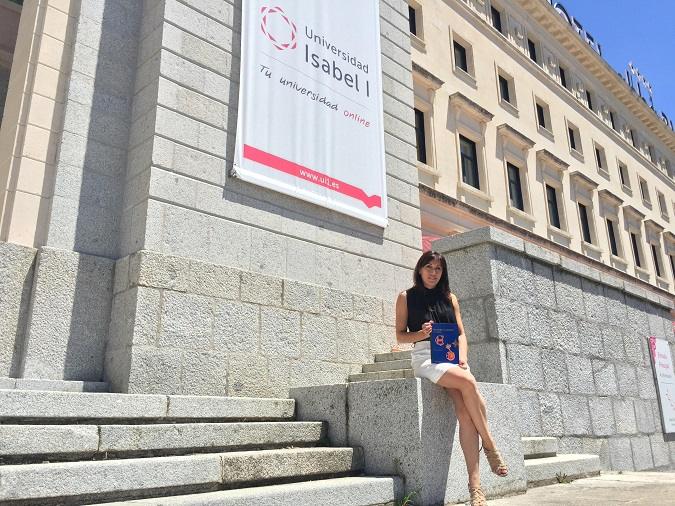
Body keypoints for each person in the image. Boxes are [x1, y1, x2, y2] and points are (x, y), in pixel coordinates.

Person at [395, 250, 508, 506]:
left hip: (452, 356)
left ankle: (475, 488)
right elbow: (400, 336)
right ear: (420, 269)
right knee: (469, 382)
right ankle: (490, 445)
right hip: (426, 357)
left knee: (466, 413)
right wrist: (420, 334)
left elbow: (461, 334)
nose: (433, 273)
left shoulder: (450, 298)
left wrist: (463, 357)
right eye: (429, 267)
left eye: (438, 269)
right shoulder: (406, 297)